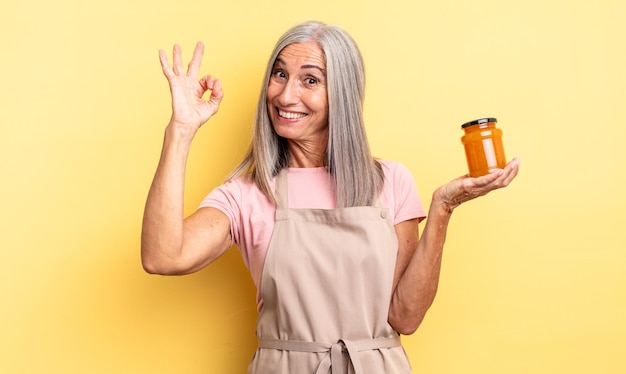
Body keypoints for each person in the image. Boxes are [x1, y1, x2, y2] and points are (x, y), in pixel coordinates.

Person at [141, 20, 519, 373]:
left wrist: (443, 207)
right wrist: (181, 129)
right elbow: (162, 256)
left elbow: (405, 317)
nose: (287, 94)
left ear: (342, 93)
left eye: (310, 80)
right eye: (280, 74)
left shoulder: (391, 181)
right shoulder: (249, 193)